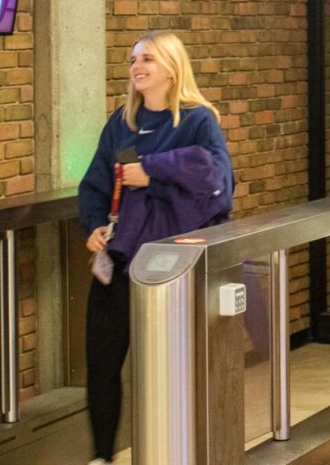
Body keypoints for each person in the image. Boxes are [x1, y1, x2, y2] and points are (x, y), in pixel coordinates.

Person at [78, 31, 234, 465]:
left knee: (169, 369)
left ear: (171, 67)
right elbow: (98, 182)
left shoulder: (197, 120)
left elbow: (217, 187)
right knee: (103, 364)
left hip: (172, 265)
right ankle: (103, 455)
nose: (137, 67)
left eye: (147, 58)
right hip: (122, 260)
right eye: (132, 60)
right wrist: (93, 225)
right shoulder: (123, 123)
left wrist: (153, 173)